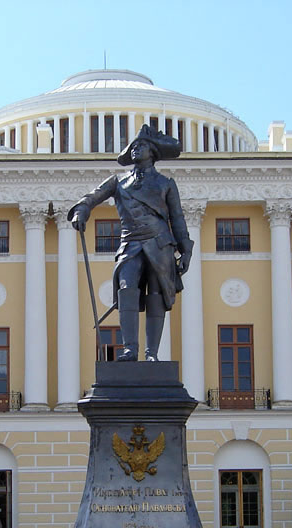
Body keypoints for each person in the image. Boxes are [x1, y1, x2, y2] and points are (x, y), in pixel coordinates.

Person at [69, 124, 193, 361]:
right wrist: (82, 211)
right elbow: (92, 197)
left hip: (160, 243)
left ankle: (152, 354)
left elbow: (177, 219)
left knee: (156, 294)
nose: (136, 149)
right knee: (126, 290)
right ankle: (130, 350)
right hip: (131, 243)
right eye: (133, 146)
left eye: (141, 145)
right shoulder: (118, 182)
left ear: (153, 153)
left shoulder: (166, 184)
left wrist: (185, 250)